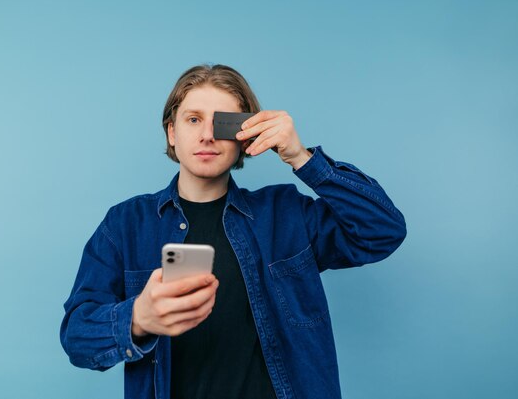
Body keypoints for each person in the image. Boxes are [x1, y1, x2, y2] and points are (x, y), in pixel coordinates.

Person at [60, 64, 407, 399]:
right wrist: (138, 318)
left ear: (244, 136)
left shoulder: (286, 213)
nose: (207, 135)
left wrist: (301, 157)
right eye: (193, 119)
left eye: (223, 123)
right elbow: (76, 339)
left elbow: (382, 229)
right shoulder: (125, 224)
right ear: (171, 132)